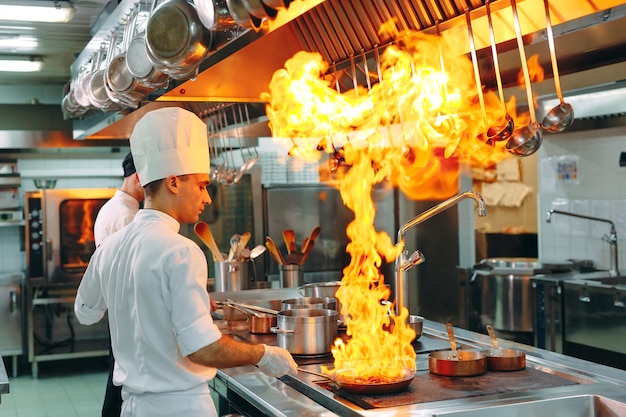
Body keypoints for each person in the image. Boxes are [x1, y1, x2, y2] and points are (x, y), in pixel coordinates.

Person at [74, 107, 297, 417]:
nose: (207, 199)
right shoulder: (182, 251)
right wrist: (264, 354)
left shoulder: (110, 247)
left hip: (132, 407)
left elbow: (85, 312)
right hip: (180, 407)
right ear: (174, 182)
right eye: (203, 186)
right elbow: (202, 347)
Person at [93, 152, 144, 417]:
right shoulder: (129, 216)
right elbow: (137, 275)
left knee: (117, 383)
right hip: (129, 314)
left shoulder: (109, 209)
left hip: (117, 312)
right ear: (138, 178)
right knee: (122, 389)